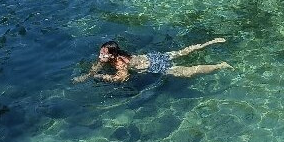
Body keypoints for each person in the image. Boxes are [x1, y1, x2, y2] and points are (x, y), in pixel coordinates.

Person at [73, 38, 231, 83]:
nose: (100, 56)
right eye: (101, 53)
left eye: (103, 54)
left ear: (113, 55)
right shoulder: (116, 55)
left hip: (155, 65)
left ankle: (220, 65)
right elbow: (97, 65)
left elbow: (123, 78)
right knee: (183, 52)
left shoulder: (120, 63)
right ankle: (210, 42)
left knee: (187, 72)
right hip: (152, 56)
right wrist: (87, 76)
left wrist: (103, 77)